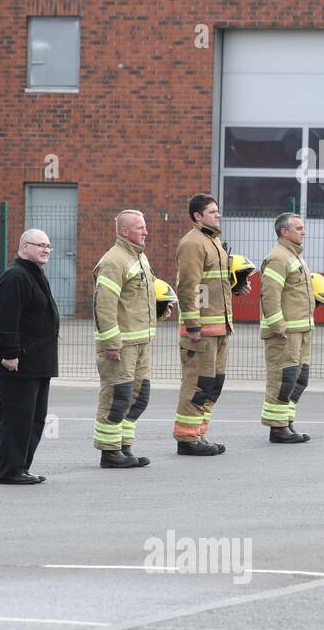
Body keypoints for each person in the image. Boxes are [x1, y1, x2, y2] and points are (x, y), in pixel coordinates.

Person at [0, 230, 60, 485]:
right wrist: (10, 354)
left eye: (49, 245)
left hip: (38, 364)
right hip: (20, 364)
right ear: (23, 246)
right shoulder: (15, 276)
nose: (46, 250)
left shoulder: (34, 274)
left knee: (34, 419)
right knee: (17, 418)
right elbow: (6, 319)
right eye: (40, 245)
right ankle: (11, 470)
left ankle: (22, 467)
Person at [173, 193, 241, 456]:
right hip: (202, 331)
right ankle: (187, 439)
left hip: (220, 329)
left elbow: (213, 285)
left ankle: (199, 435)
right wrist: (192, 323)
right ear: (197, 216)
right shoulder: (193, 243)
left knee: (213, 384)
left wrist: (237, 286)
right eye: (212, 212)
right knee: (198, 383)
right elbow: (188, 286)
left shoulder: (213, 243)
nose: (217, 215)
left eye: (217, 211)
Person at [92, 210, 157, 468]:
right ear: (125, 232)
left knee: (138, 397)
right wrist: (111, 342)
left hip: (140, 343)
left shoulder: (139, 258)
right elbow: (104, 306)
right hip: (121, 346)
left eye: (145, 226)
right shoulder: (114, 261)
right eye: (140, 227)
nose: (146, 232)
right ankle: (109, 452)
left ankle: (124, 447)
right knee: (117, 397)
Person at [259, 213, 315, 443]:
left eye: (303, 228)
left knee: (298, 379)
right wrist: (277, 326)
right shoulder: (278, 257)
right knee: (282, 379)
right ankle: (277, 428)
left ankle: (287, 422)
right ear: (285, 231)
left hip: (300, 331)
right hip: (285, 333)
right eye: (299, 228)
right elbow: (269, 295)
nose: (304, 232)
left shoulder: (294, 256)